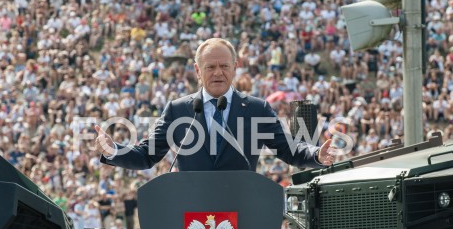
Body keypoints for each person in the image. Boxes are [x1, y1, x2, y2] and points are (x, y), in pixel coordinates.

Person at [95, 38, 334, 172]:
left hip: (241, 209)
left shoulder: (256, 109)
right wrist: (114, 150)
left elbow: (288, 148)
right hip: (193, 213)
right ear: (198, 71)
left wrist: (316, 154)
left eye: (224, 66)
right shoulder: (178, 110)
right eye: (210, 67)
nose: (218, 73)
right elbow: (147, 155)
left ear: (235, 67)